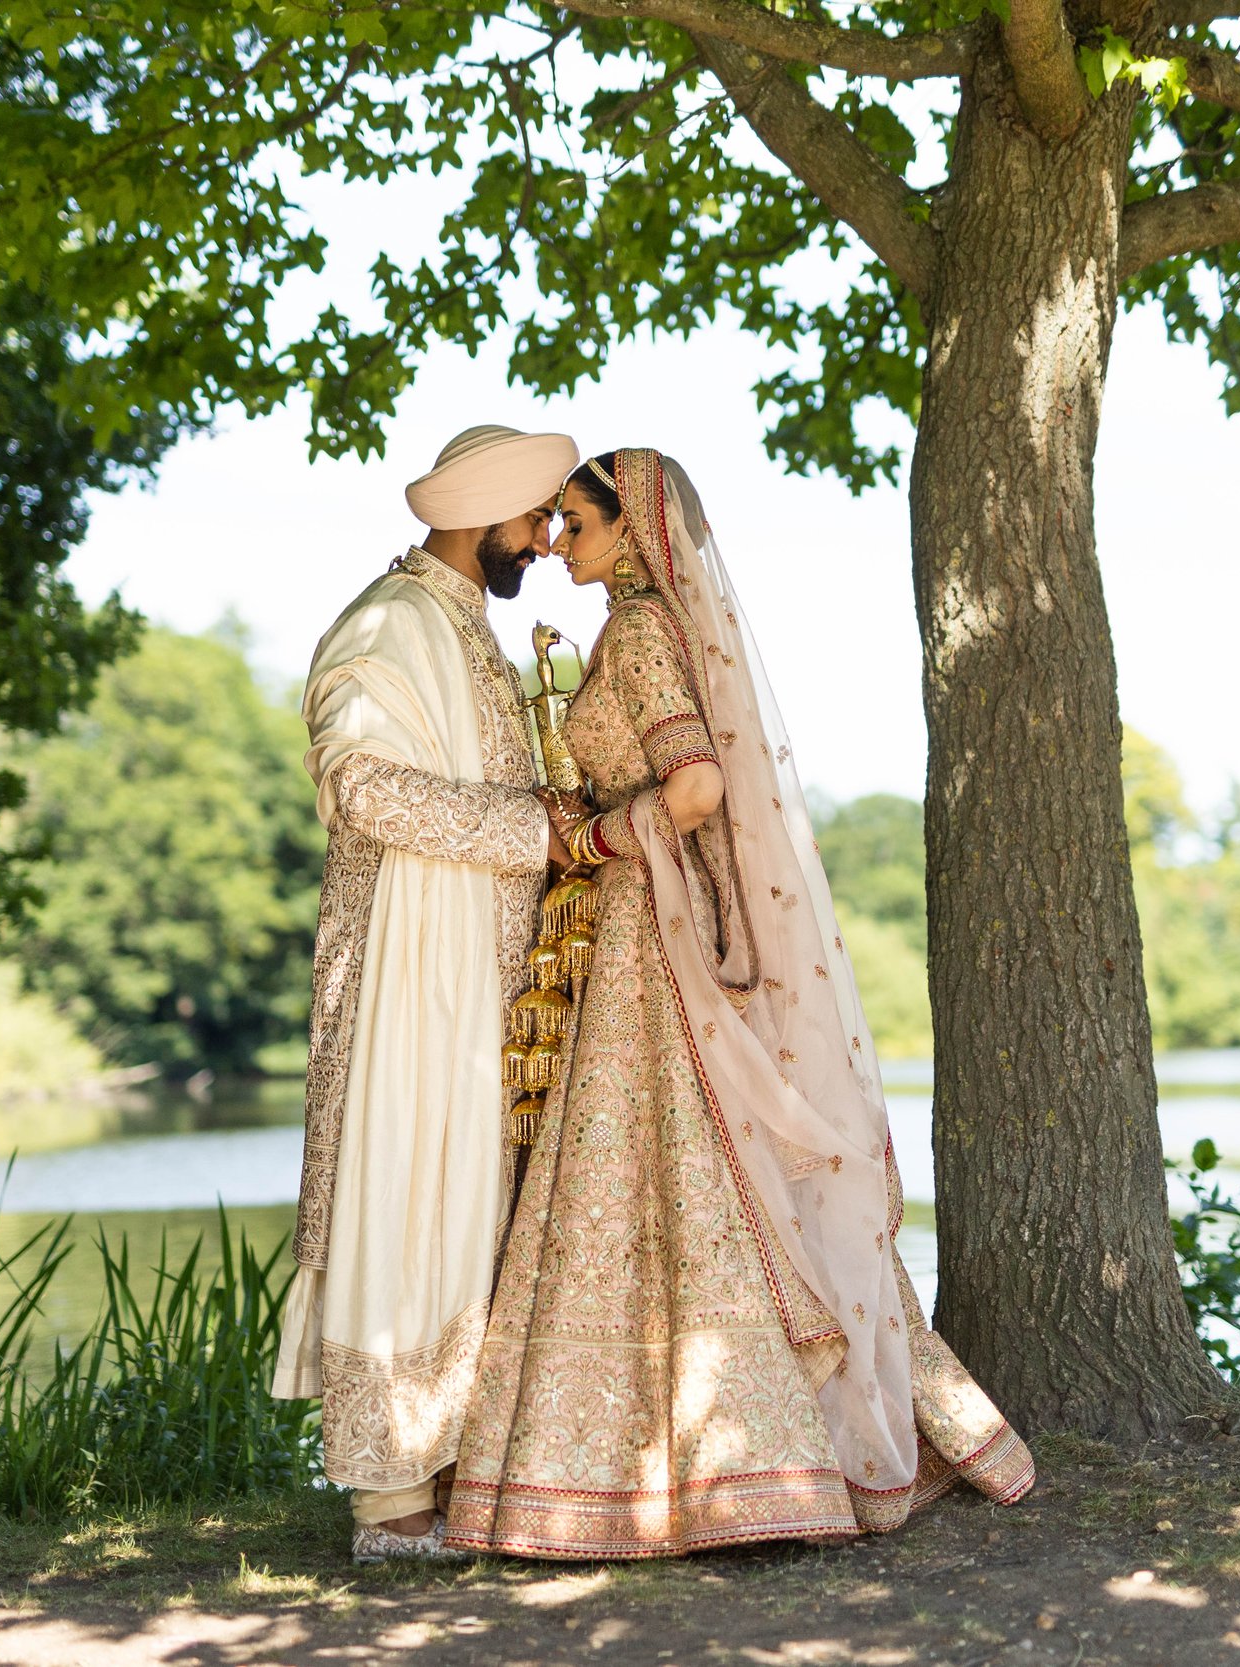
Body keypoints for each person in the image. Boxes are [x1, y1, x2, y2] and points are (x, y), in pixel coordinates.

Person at [446, 448, 1036, 1560]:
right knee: (652, 1167)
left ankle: (707, 1464)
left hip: (645, 924)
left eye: (574, 522)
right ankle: (695, 1458)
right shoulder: (631, 630)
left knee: (670, 1162)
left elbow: (697, 785)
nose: (558, 541)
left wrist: (597, 835)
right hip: (631, 923)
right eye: (558, 524)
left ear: (634, 530)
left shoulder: (643, 631)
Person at [271, 423, 579, 1564]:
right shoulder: (389, 623)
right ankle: (388, 1502)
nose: (547, 541)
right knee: (406, 1188)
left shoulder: (469, 627)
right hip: (411, 958)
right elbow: (361, 788)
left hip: (481, 962)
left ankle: (450, 1468)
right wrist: (539, 828)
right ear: (484, 508)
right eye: (537, 516)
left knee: (466, 1201)